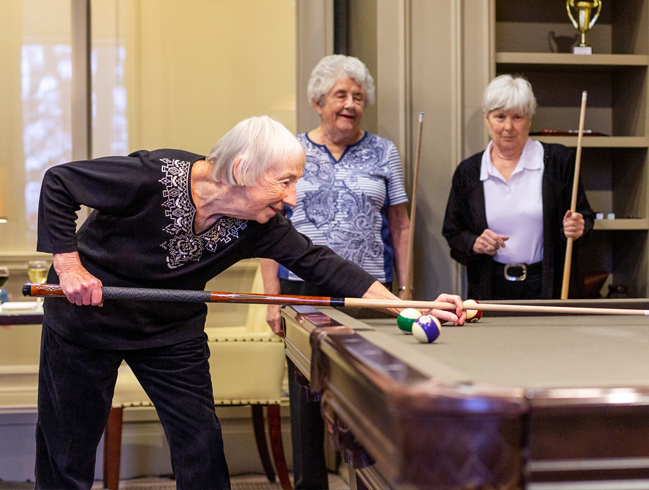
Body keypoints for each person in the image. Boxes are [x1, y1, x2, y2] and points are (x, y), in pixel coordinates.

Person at [34, 116, 465, 490]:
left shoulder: (259, 225)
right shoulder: (152, 175)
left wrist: (408, 308)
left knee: (201, 448)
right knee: (66, 454)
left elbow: (321, 264)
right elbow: (59, 183)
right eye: (285, 182)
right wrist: (70, 268)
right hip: (85, 322)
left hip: (169, 331)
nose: (292, 198)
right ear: (242, 170)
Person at [259, 55, 415, 490]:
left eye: (358, 97)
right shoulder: (290, 150)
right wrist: (272, 294)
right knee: (306, 395)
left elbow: (400, 224)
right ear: (317, 101)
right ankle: (311, 483)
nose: (350, 104)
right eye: (340, 95)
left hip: (367, 288)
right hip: (299, 286)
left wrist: (402, 288)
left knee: (365, 391)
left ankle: (367, 481)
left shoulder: (385, 151)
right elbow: (268, 223)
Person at [442, 75, 595, 301]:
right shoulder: (468, 172)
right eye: (500, 116)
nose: (508, 127)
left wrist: (576, 227)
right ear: (486, 118)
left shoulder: (558, 162)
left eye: (517, 117)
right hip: (490, 289)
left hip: (548, 288)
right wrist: (475, 243)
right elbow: (453, 232)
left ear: (529, 120)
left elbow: (585, 219)